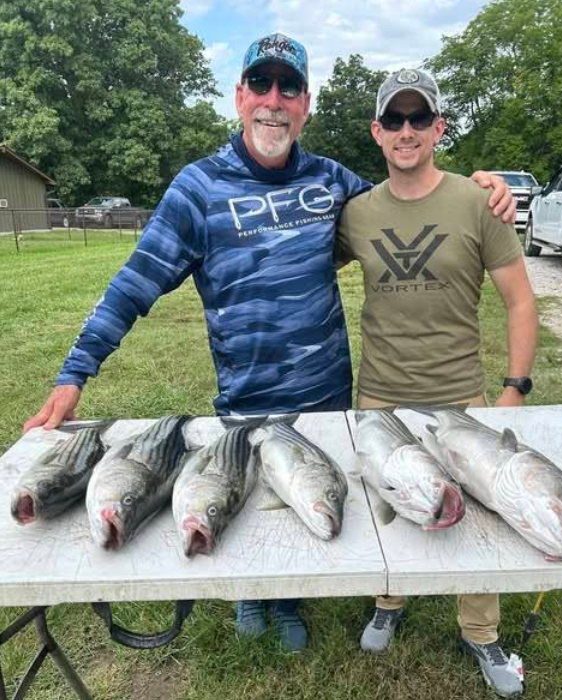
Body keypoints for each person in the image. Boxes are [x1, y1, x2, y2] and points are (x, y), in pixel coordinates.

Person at [23, 34, 515, 653]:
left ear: (306, 103)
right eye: (261, 84)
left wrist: (479, 186)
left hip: (329, 397)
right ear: (240, 96)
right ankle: (254, 592)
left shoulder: (333, 182)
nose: (274, 101)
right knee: (240, 493)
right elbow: (132, 286)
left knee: (308, 493)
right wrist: (73, 377)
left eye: (289, 87)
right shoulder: (197, 189)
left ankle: (289, 595)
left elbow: (411, 196)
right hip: (245, 392)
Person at [336, 68, 538, 697]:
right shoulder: (356, 213)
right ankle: (389, 599)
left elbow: (521, 301)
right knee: (387, 502)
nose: (406, 130)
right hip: (381, 394)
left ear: (438, 128)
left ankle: (481, 632)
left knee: (480, 516)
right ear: (376, 131)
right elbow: (293, 253)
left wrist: (515, 389)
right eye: (393, 119)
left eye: (418, 118)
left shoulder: (479, 201)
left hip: (460, 395)